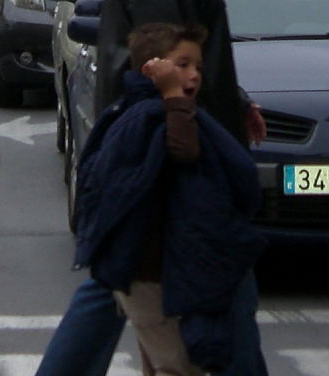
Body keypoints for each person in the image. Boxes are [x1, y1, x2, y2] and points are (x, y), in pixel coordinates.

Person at [41, 0, 267, 376]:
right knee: (208, 284)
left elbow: (189, 59)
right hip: (169, 154)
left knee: (118, 278)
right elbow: (176, 65)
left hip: (152, 152)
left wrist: (236, 100)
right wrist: (204, 122)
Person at [73, 23, 262, 376]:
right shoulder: (152, 115)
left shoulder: (157, 111)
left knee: (167, 364)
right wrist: (173, 95)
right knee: (180, 366)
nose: (193, 75)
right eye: (182, 64)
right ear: (153, 69)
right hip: (149, 273)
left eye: (197, 68)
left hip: (162, 271)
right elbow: (184, 150)